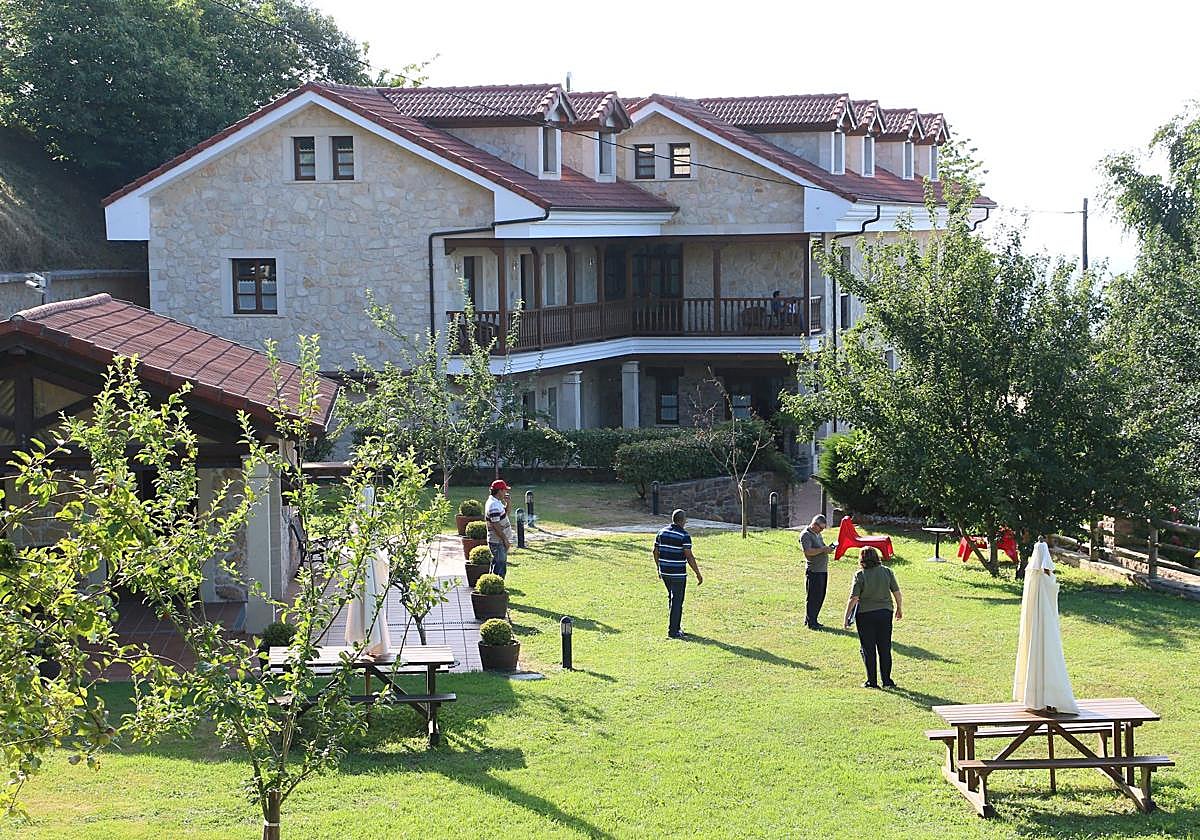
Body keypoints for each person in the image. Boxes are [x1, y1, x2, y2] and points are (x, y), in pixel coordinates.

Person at [844, 547, 903, 689]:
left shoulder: (860, 575)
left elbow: (854, 598)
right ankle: (887, 680)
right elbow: (896, 592)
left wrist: (846, 616)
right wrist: (899, 608)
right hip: (885, 612)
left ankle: (872, 681)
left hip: (865, 614)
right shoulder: (887, 572)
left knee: (868, 648)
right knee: (884, 647)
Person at [653, 509, 703, 639]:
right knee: (677, 601)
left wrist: (659, 567)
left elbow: (655, 551)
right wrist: (698, 573)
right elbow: (689, 556)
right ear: (683, 521)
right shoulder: (684, 536)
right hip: (678, 574)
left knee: (672, 598)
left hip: (665, 572)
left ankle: (675, 627)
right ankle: (673, 631)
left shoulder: (661, 532)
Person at [800, 514, 833, 629]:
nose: (822, 531)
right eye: (821, 528)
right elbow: (808, 552)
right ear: (814, 524)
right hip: (814, 570)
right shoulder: (806, 535)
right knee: (813, 597)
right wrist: (822, 550)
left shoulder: (817, 535)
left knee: (820, 596)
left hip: (822, 570)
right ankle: (811, 622)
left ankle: (813, 619)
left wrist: (828, 549)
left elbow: (822, 547)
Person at [484, 479, 515, 578]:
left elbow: (506, 514)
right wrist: (504, 539)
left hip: (499, 541)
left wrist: (508, 503)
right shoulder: (493, 505)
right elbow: (496, 525)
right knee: (500, 566)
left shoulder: (496, 502)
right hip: (497, 541)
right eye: (505, 490)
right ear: (500, 491)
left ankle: (493, 585)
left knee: (497, 563)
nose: (506, 492)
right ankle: (496, 586)